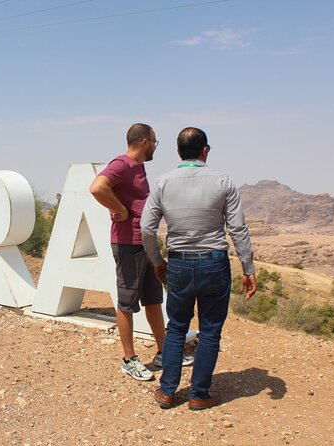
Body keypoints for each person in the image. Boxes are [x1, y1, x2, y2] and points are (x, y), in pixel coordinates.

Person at [140, 127, 257, 409]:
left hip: (178, 263)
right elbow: (237, 228)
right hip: (214, 264)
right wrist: (248, 266)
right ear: (205, 150)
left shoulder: (163, 182)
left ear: (179, 152)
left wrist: (157, 261)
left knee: (177, 327)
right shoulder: (223, 181)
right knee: (210, 330)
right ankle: (199, 394)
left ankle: (168, 391)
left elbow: (146, 228)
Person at [89, 123, 168, 381]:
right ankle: (128, 359)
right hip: (127, 243)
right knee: (126, 302)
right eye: (155, 141)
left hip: (143, 242)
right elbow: (97, 187)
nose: (156, 145)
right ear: (144, 141)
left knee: (154, 299)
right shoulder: (121, 164)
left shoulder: (138, 166)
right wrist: (121, 211)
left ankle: (163, 352)